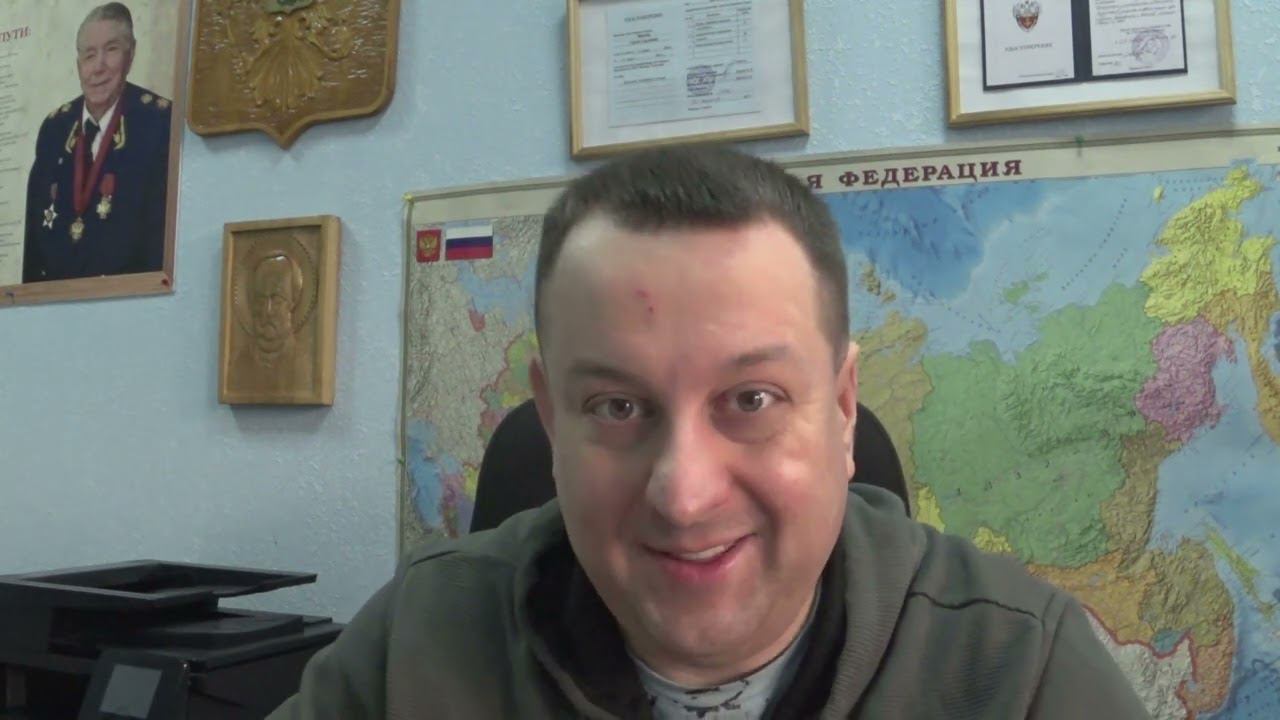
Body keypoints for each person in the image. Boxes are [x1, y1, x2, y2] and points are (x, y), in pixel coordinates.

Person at [269, 146, 1150, 718]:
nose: (684, 496)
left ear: (843, 409)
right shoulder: (414, 646)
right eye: (618, 408)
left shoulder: (1019, 669)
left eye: (751, 400)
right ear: (551, 418)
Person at [22, 2, 171, 284]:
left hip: (128, 299)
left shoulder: (157, 123)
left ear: (131, 54)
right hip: (56, 299)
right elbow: (34, 245)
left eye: (111, 49)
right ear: (79, 65)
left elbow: (158, 243)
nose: (98, 67)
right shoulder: (55, 129)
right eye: (89, 55)